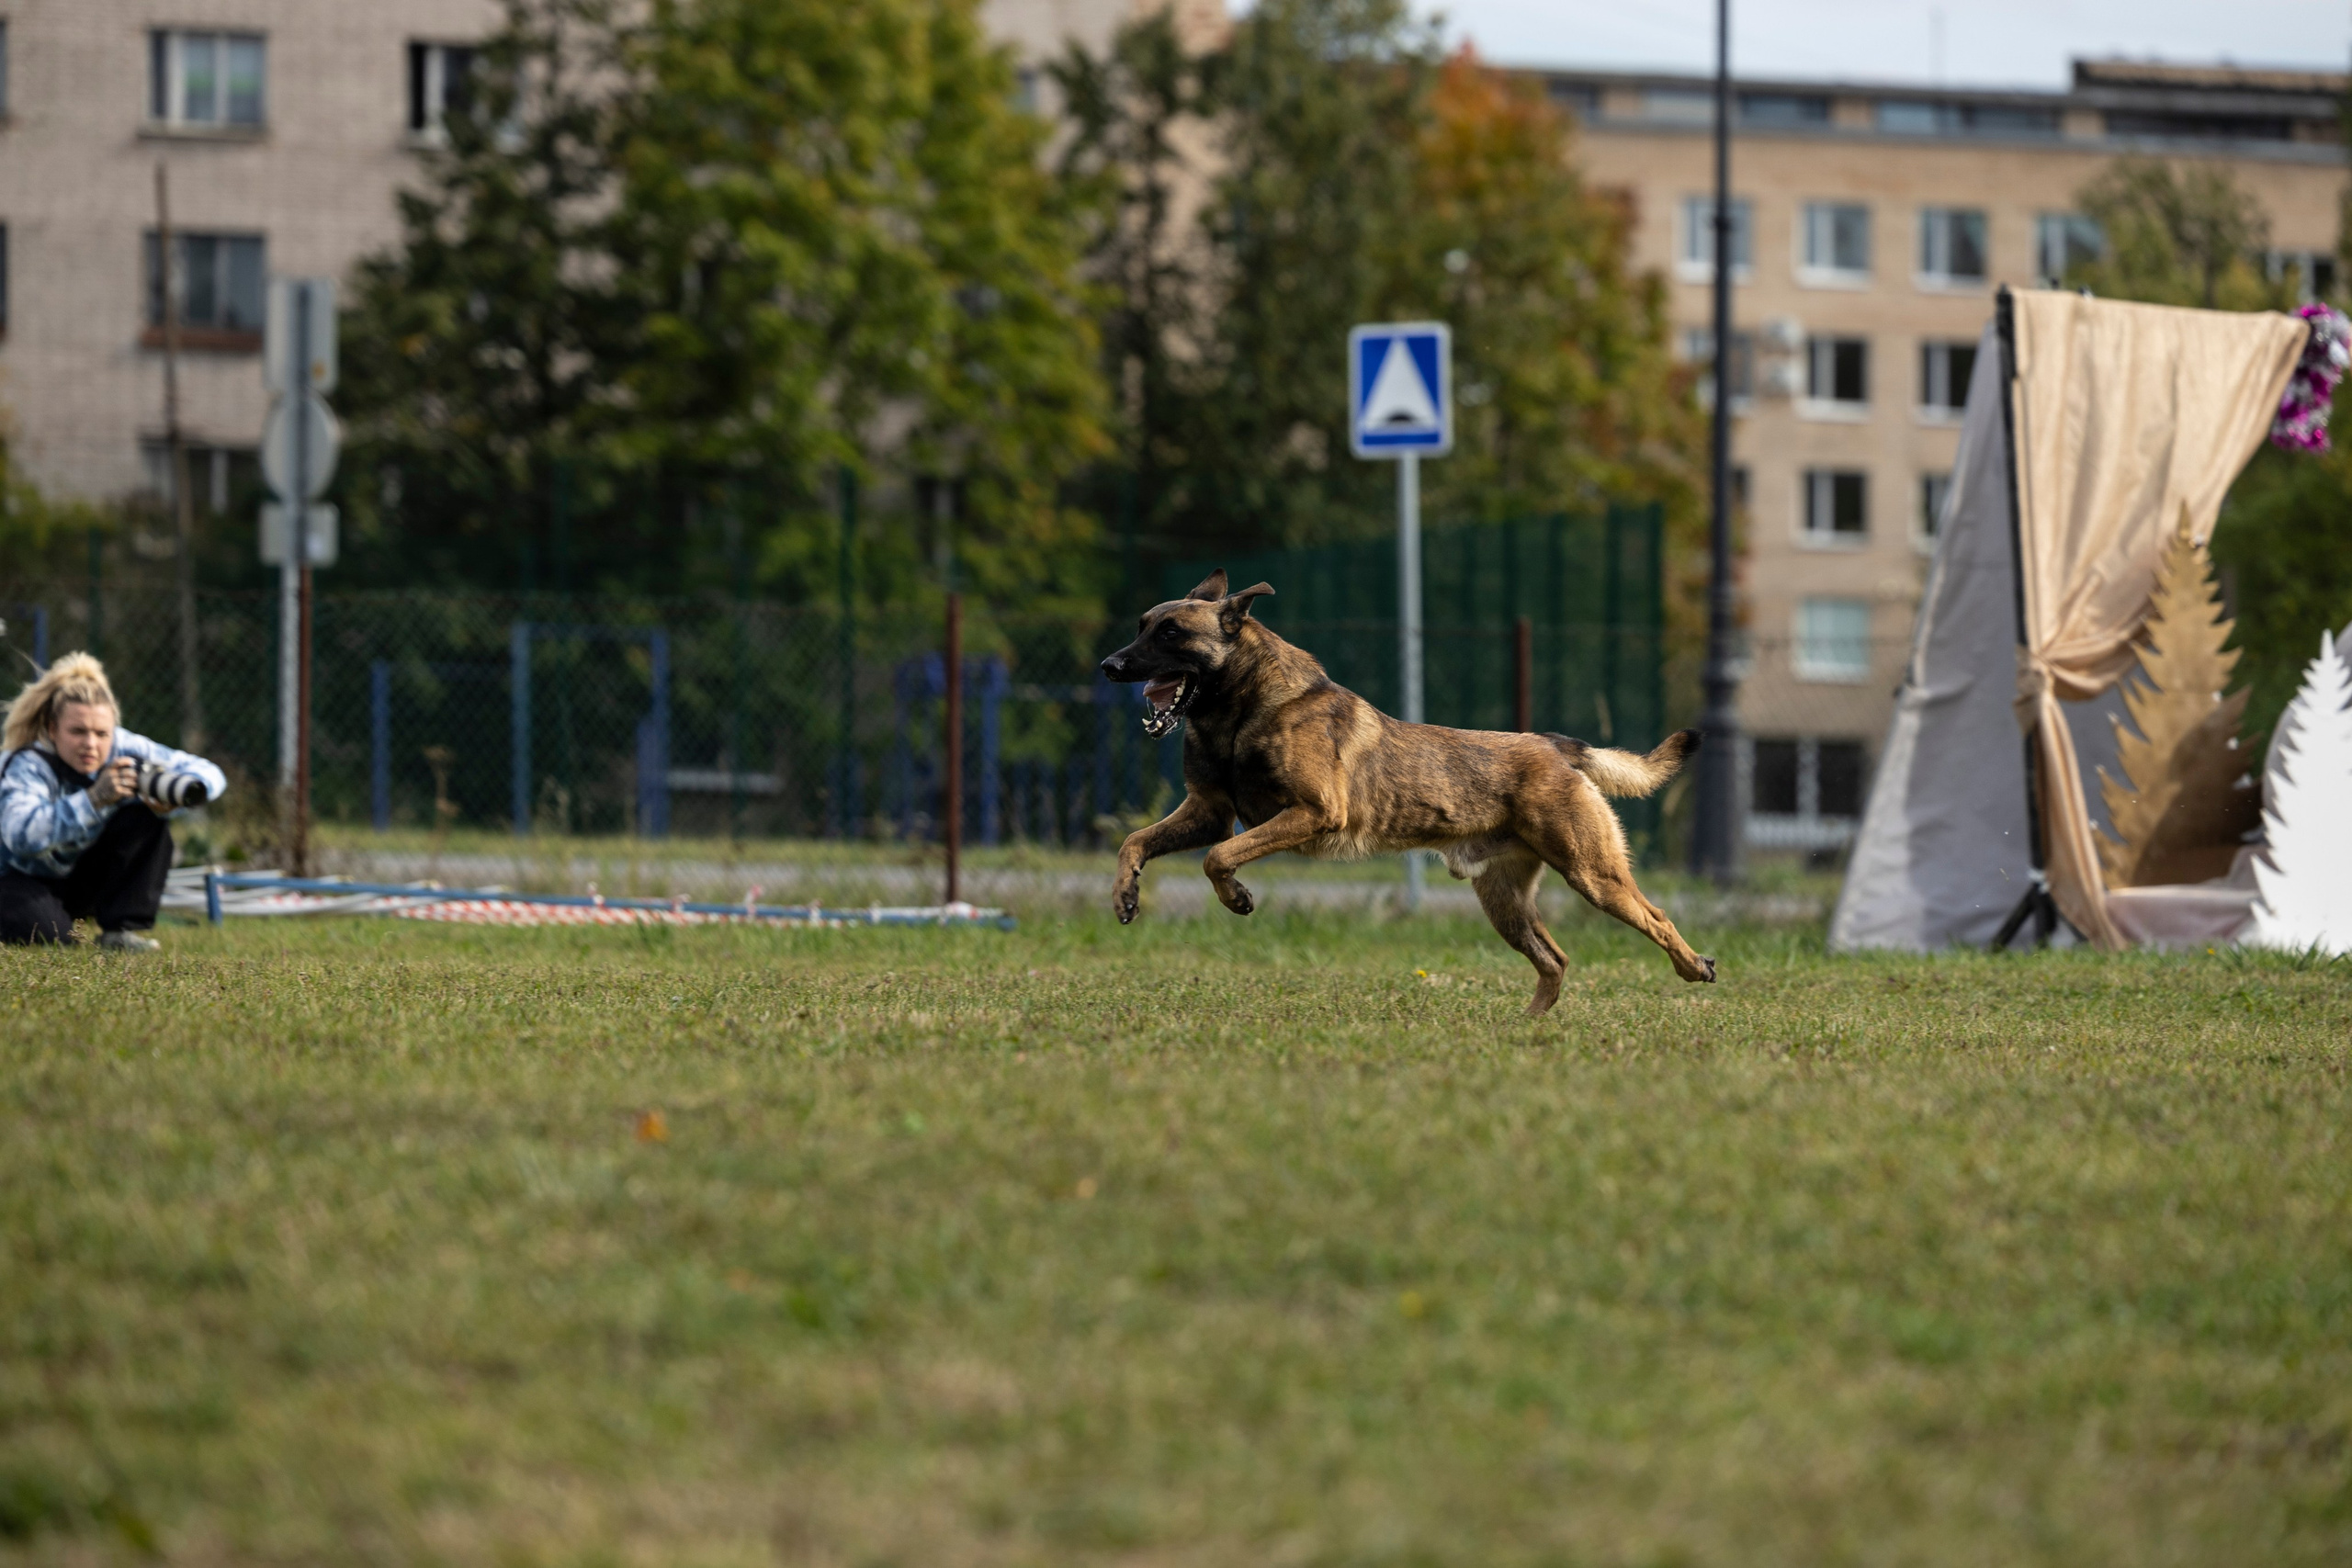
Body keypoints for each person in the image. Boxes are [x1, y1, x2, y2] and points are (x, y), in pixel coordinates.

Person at [0, 653, 227, 950]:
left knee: (145, 815)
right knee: (52, 939)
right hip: (14, 879)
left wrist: (171, 799)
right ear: (53, 729)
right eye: (78, 731)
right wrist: (93, 799)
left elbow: (211, 773)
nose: (91, 744)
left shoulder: (122, 746)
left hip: (72, 876)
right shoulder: (28, 763)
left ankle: (119, 931)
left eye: (101, 733)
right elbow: (22, 837)